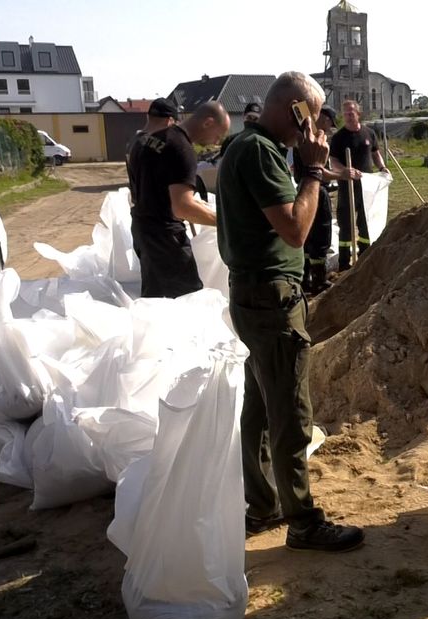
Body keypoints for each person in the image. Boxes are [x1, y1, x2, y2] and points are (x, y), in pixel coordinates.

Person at [217, 71, 364, 553]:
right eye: (312, 115)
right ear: (297, 109)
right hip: (270, 301)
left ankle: (261, 506)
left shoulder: (247, 147)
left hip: (256, 296)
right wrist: (313, 171)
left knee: (261, 407)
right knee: (290, 415)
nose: (317, 126)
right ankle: (301, 521)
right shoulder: (259, 151)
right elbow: (296, 230)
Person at [126, 101, 230, 298]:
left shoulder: (147, 141)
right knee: (189, 300)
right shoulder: (181, 149)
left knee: (156, 300)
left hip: (143, 229)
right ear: (208, 122)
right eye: (219, 135)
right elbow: (182, 208)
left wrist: (202, 205)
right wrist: (226, 221)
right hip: (165, 238)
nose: (216, 142)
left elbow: (157, 190)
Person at [330, 100, 389, 270]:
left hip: (367, 186)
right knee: (346, 225)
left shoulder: (369, 133)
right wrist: (345, 170)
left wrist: (382, 167)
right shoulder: (339, 138)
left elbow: (376, 153)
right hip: (347, 186)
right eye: (345, 113)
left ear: (358, 114)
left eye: (351, 113)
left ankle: (364, 257)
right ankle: (344, 263)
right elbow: (333, 161)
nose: (348, 116)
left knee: (365, 222)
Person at [294, 105, 340, 295]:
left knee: (309, 237)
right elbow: (319, 171)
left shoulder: (302, 138)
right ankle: (318, 280)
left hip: (304, 189)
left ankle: (306, 279)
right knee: (321, 235)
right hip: (316, 190)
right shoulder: (310, 140)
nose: (329, 128)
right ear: (324, 118)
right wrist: (342, 174)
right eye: (330, 122)